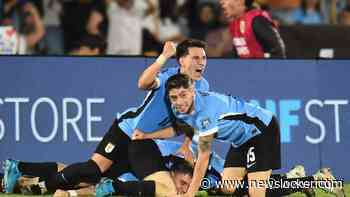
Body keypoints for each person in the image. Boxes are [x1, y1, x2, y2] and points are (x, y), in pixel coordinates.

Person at [3, 39, 209, 195]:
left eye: (204, 58)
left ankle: (28, 178)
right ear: (182, 60)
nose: (202, 62)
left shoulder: (203, 87)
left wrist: (186, 144)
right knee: (93, 170)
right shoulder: (168, 78)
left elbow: (192, 119)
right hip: (126, 129)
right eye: (196, 58)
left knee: (94, 176)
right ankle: (24, 172)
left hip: (142, 140)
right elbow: (142, 83)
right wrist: (163, 57)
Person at [159, 73, 344, 197]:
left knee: (256, 193)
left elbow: (204, 157)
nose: (179, 102)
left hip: (261, 131)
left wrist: (190, 193)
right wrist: (185, 143)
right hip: (241, 140)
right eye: (174, 97)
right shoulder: (179, 109)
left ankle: (316, 179)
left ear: (193, 91)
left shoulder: (206, 111)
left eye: (183, 95)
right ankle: (294, 179)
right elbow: (188, 126)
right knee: (227, 187)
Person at [219, 0, 286, 58]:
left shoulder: (257, 21)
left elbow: (278, 52)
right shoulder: (234, 25)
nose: (221, 2)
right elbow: (239, 54)